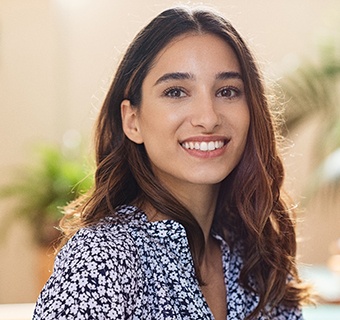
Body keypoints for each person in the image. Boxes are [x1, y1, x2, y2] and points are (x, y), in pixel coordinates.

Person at [33, 5, 310, 320]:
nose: (208, 118)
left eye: (228, 91)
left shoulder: (259, 256)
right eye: (176, 91)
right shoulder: (101, 259)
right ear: (132, 120)